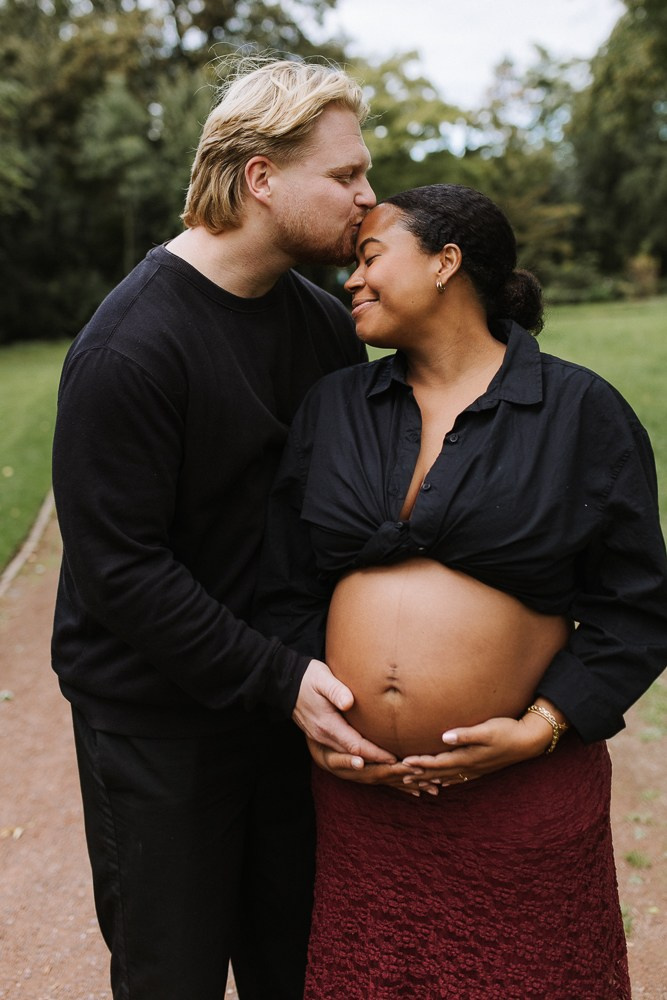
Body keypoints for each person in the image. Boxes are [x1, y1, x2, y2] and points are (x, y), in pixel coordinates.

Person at [254, 183, 667, 998]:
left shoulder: (578, 410)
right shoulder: (334, 407)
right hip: (362, 802)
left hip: (520, 802)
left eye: (371, 257)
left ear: (445, 263)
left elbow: (635, 603)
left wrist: (539, 729)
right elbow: (287, 583)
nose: (350, 279)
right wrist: (317, 713)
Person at [50, 57, 389, 1000]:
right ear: (261, 177)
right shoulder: (129, 349)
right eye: (346, 175)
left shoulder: (323, 328)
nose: (368, 197)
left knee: (302, 971)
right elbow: (123, 573)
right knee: (173, 978)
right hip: (158, 728)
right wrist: (280, 678)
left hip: (286, 715)